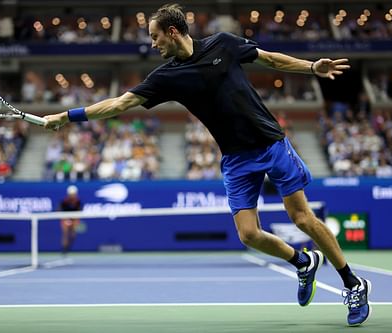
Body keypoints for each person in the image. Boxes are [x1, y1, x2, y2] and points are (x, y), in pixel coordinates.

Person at [43, 4, 371, 326]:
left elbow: (271, 59)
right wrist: (67, 117)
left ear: (173, 32)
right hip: (236, 158)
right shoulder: (166, 77)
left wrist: (312, 67)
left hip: (270, 144)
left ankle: (353, 283)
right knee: (249, 235)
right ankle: (302, 261)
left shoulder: (223, 44)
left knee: (302, 218)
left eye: (155, 36)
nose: (152, 43)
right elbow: (119, 103)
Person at [59, 185, 82, 255]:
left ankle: (68, 246)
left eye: (74, 194)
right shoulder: (64, 202)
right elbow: (59, 210)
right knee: (65, 234)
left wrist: (75, 220)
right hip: (65, 218)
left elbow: (79, 212)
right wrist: (64, 219)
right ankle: (64, 249)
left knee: (73, 235)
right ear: (69, 194)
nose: (73, 195)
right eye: (72, 194)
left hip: (74, 219)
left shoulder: (78, 202)